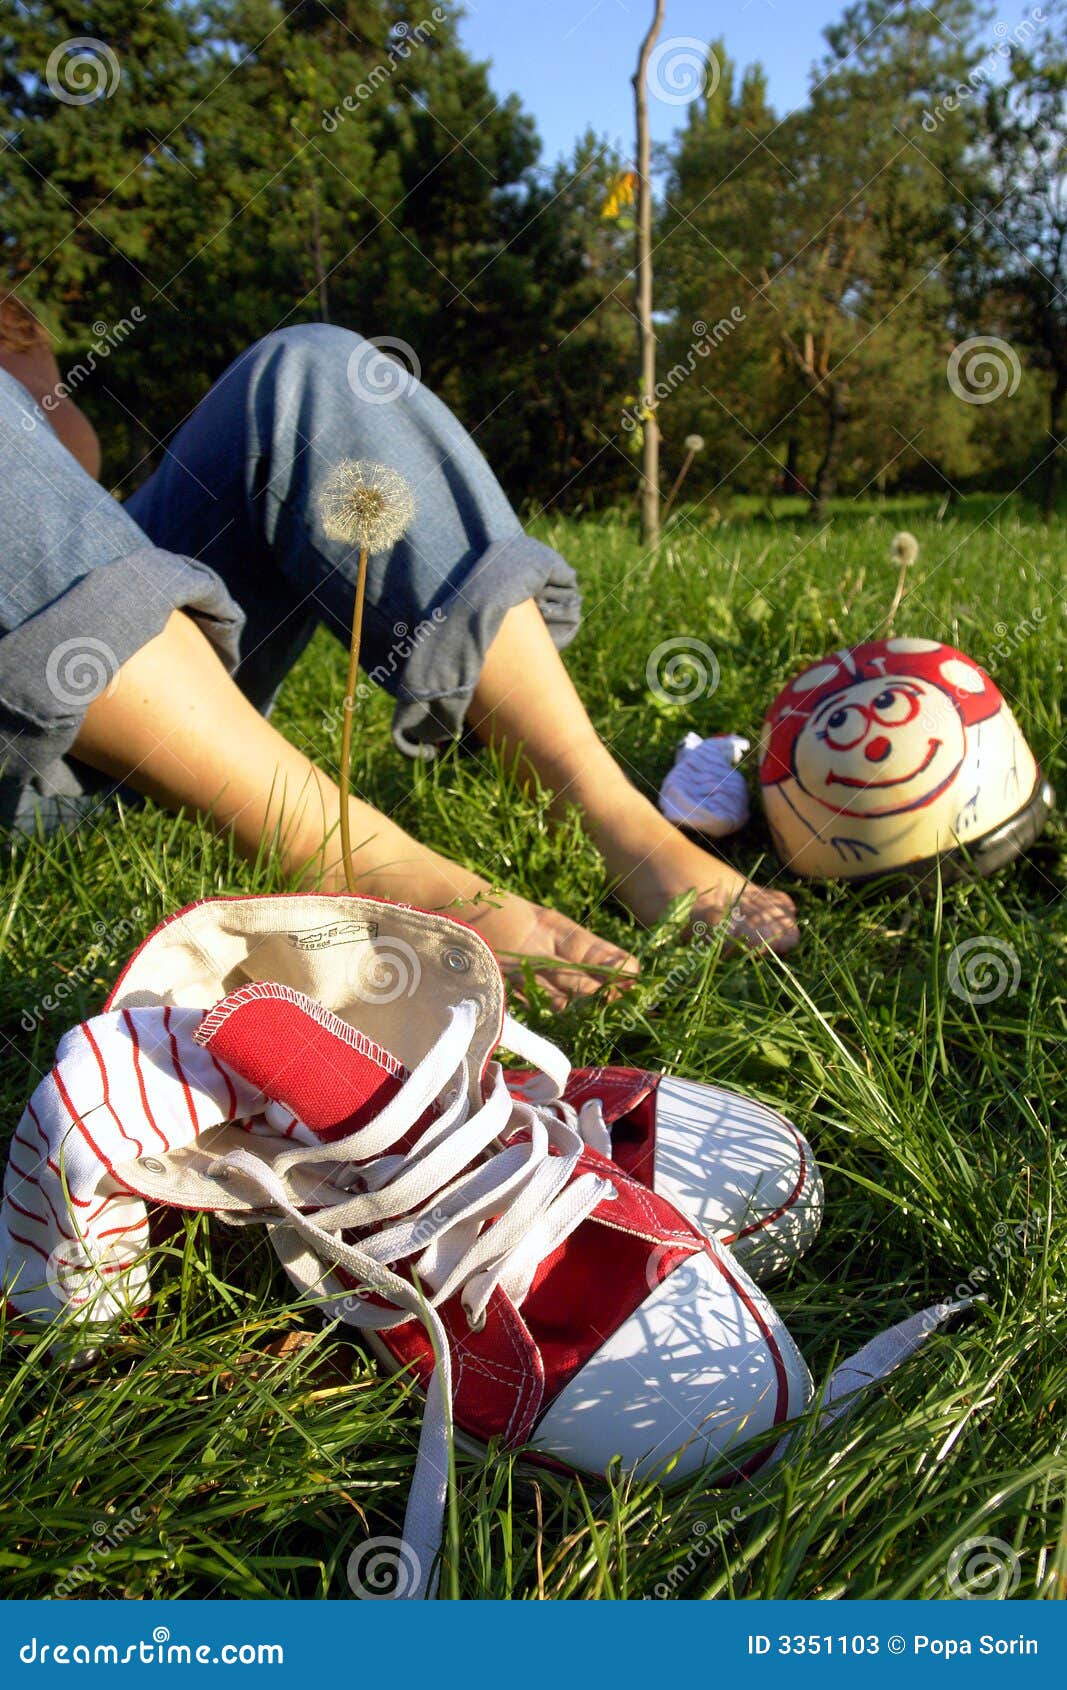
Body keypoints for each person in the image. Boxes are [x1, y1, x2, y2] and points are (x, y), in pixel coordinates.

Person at [0, 300, 799, 1005]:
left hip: (158, 673)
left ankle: (602, 804)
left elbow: (64, 450)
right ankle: (350, 858)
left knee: (309, 368)